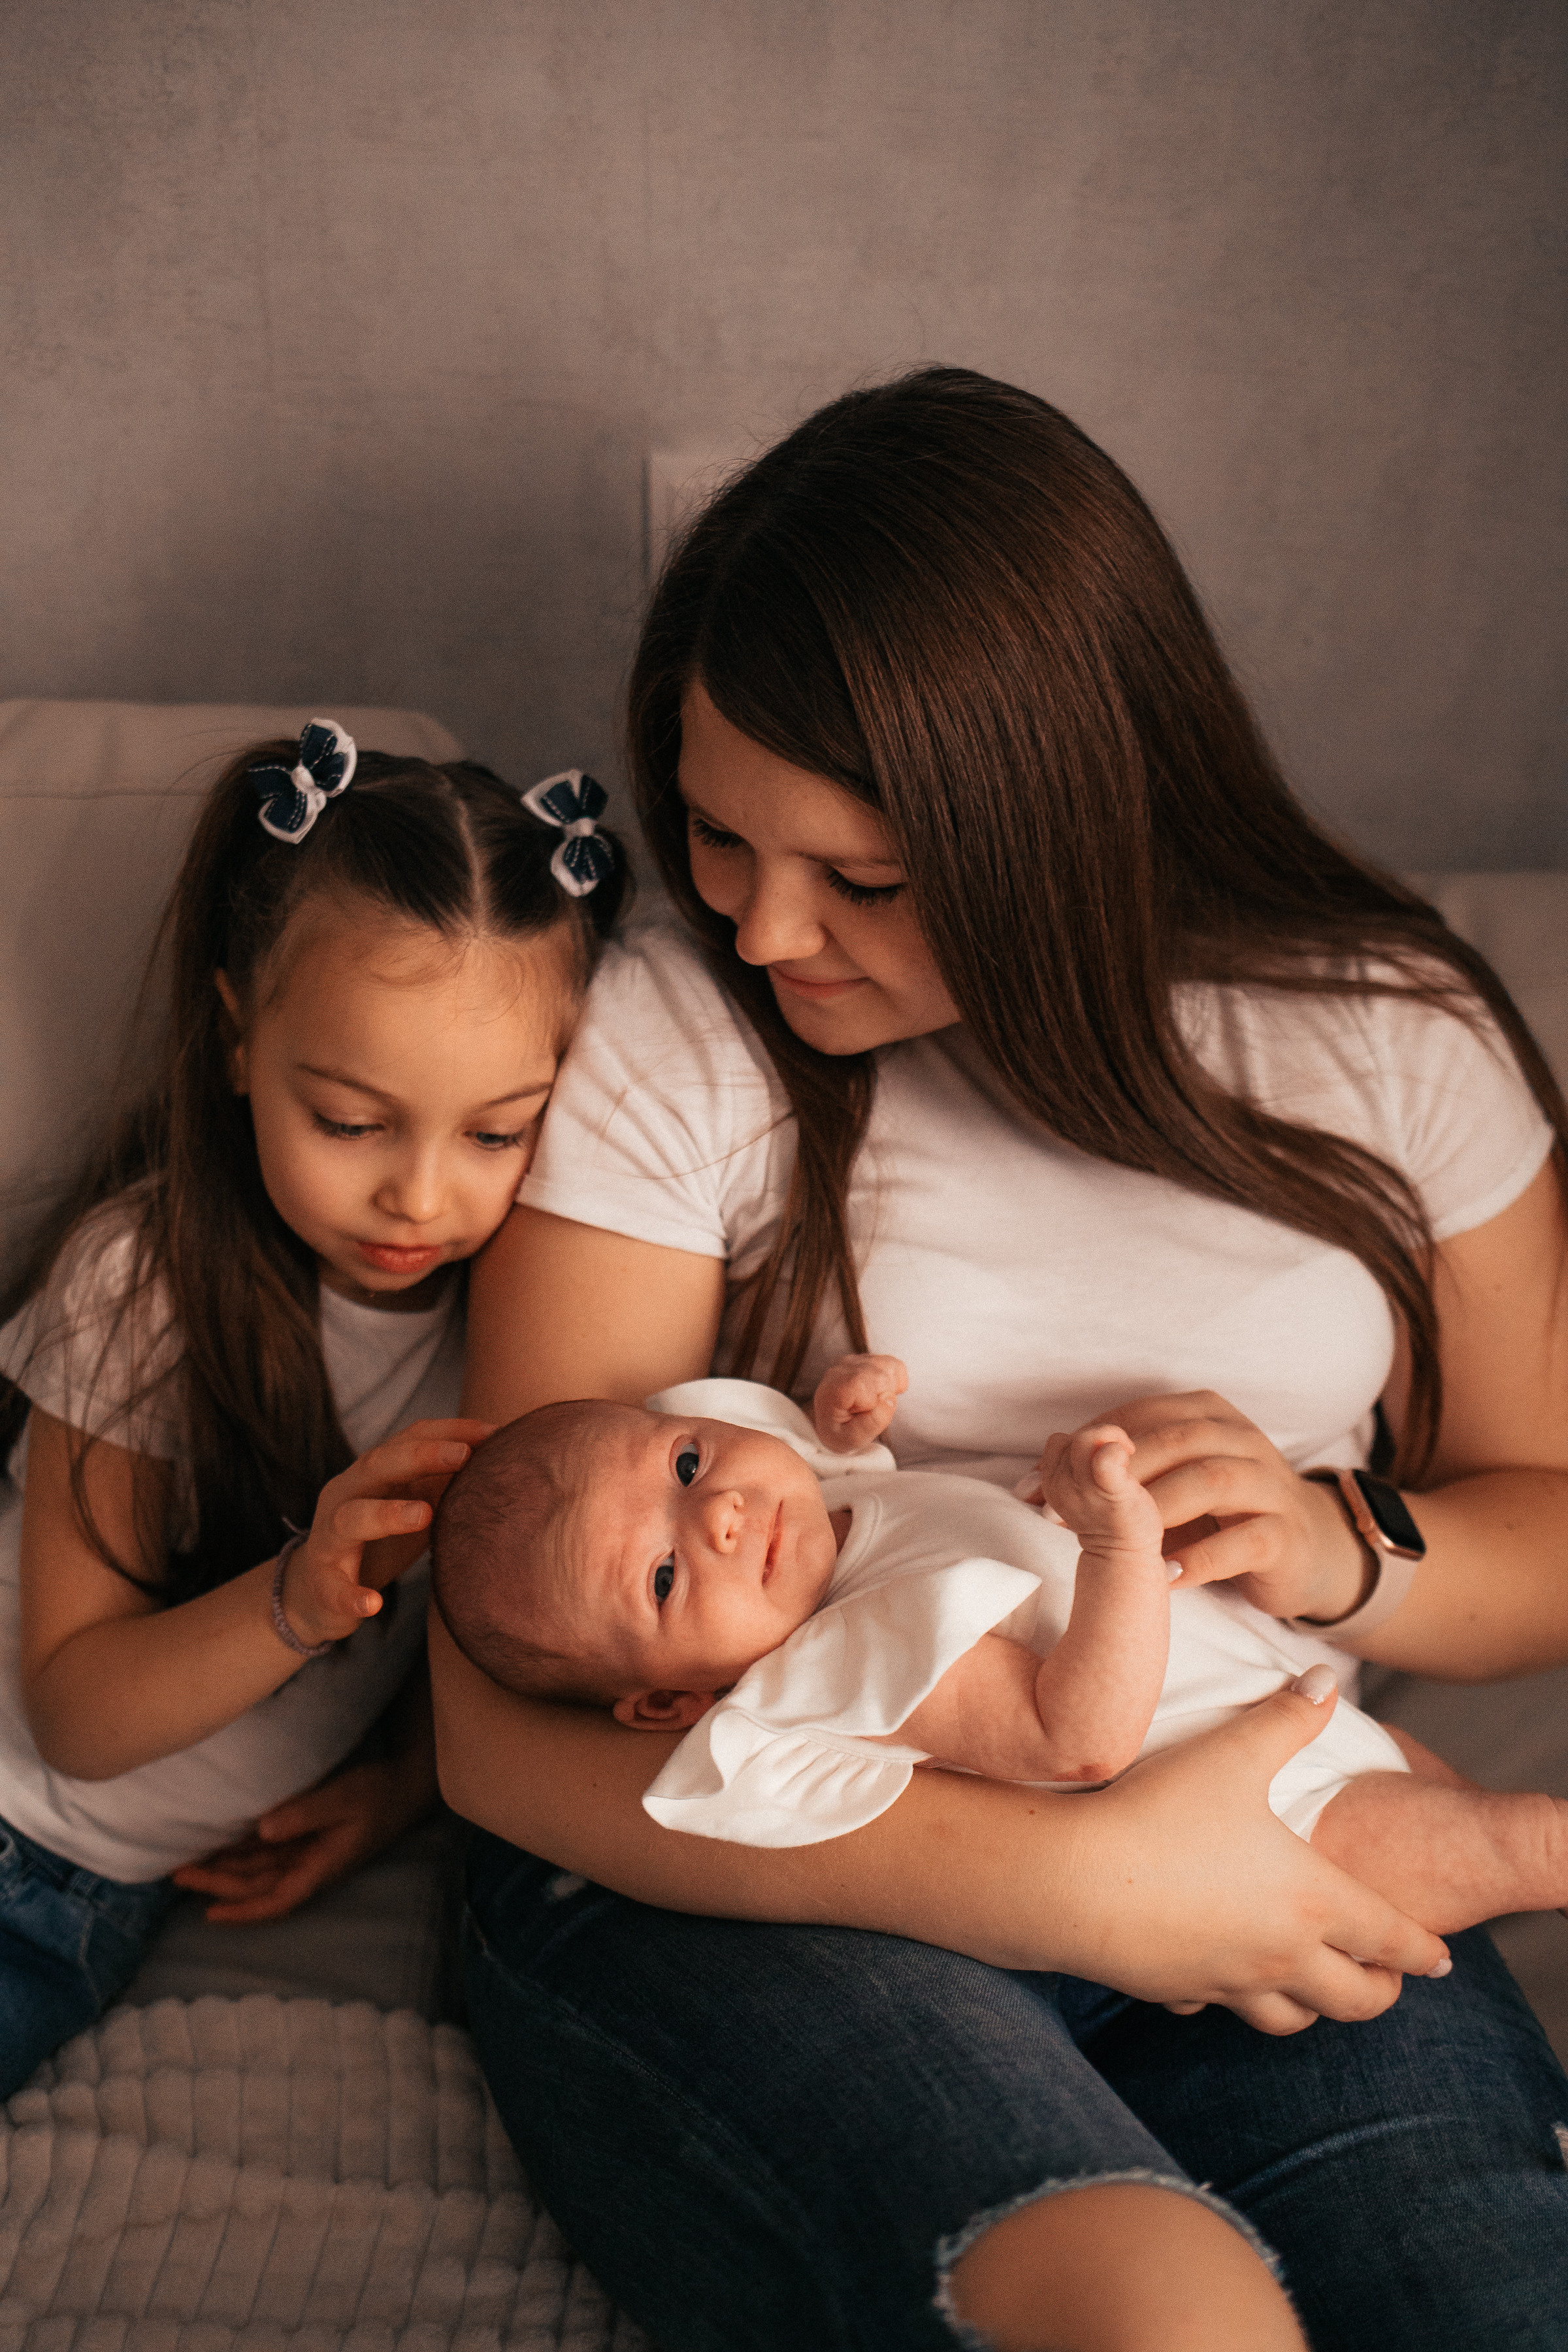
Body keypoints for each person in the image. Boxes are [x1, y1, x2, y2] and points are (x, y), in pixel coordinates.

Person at [432, 369, 1568, 2352]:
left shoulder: (1395, 1040)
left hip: (1275, 1831)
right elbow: (505, 1687)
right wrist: (1082, 1886)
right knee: (1146, 2317)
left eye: (861, 879)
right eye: (713, 835)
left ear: (1063, 818)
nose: (762, 927)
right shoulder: (683, 1038)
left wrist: (1340, 1550)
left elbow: (1547, 1527)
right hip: (771, 1851)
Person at [0, 721, 627, 2094]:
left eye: (497, 1131)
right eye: (350, 1121)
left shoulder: (517, 1314)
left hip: (103, 1890)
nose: (419, 1196)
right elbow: (74, 1719)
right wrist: (298, 1598)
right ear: (236, 1042)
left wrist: (398, 1782)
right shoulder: (144, 1286)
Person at [434, 1363, 1568, 1940]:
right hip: (1261, 1818)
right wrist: (1119, 1547)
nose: (719, 1515)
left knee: (1450, 1806)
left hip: (1284, 1708)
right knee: (1512, 1844)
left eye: (684, 1468)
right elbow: (1073, 1741)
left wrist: (846, 1409)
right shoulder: (848, 1658)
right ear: (671, 1700)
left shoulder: (804, 1515)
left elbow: (786, 1449)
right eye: (667, 1578)